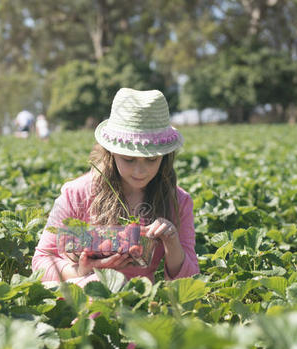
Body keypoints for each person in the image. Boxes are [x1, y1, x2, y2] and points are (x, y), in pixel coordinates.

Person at [32, 88, 199, 288]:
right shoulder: (77, 194)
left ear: (165, 157)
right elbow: (41, 261)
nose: (140, 171)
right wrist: (84, 270)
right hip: (86, 300)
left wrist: (172, 242)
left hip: (138, 302)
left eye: (152, 159)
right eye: (128, 159)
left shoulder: (177, 201)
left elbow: (189, 281)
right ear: (111, 153)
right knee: (96, 285)